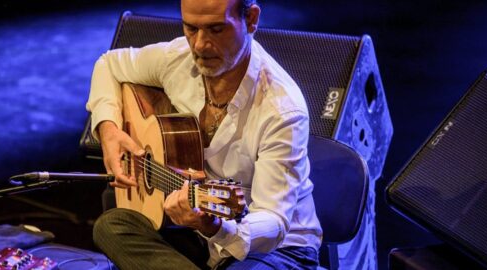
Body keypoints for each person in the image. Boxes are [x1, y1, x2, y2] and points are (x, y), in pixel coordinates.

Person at [86, 0, 322, 268]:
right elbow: (109, 64)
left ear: (251, 19)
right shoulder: (177, 59)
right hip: (196, 233)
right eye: (191, 28)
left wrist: (215, 227)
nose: (199, 45)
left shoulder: (282, 110)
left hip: (276, 250)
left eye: (216, 29)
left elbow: (273, 220)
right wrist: (108, 129)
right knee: (112, 226)